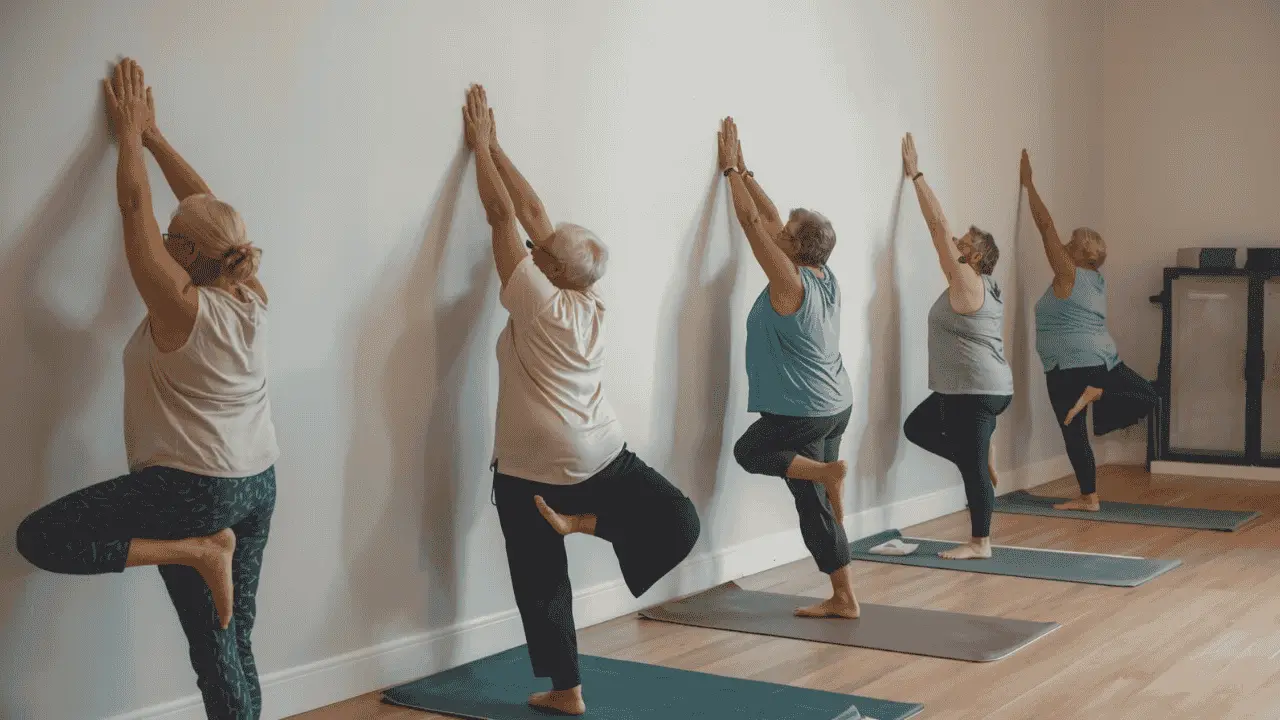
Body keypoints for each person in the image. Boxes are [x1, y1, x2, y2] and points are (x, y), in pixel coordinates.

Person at [14, 59, 278, 718]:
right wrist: (158, 139)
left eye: (172, 241)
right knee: (232, 633)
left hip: (191, 488)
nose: (161, 242)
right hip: (257, 481)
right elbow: (213, 215)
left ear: (188, 256)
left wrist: (129, 133)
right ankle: (201, 557)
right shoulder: (246, 288)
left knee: (41, 539)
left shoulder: (180, 306)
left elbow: (134, 207)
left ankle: (192, 551)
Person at [461, 85, 701, 716]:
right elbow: (537, 217)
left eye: (543, 256)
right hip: (602, 455)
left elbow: (502, 218)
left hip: (529, 467)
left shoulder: (538, 302)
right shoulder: (590, 300)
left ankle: (567, 689)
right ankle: (591, 526)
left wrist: (480, 151)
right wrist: (497, 145)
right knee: (682, 519)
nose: (534, 252)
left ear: (555, 272)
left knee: (541, 582)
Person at [717, 118, 859, 619]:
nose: (779, 231)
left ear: (795, 249)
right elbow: (772, 217)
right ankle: (845, 584)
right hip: (835, 403)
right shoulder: (823, 273)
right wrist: (747, 171)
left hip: (806, 411)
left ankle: (843, 596)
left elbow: (755, 226)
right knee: (820, 496)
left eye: (788, 234)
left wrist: (730, 169)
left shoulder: (789, 282)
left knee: (750, 451)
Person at [1021, 150, 1158, 511]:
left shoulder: (1069, 273)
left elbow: (1044, 226)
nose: (1064, 241)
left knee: (1074, 431)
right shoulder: (1096, 282)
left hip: (1069, 366)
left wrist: (1028, 184)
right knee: (1149, 396)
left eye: (1072, 240)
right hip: (1102, 360)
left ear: (1081, 256)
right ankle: (1089, 497)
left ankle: (1097, 394)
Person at [900, 133, 1012, 560]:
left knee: (969, 464)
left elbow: (938, 226)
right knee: (918, 427)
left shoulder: (968, 280)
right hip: (972, 389)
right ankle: (978, 456)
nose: (956, 245)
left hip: (976, 390)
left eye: (965, 244)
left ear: (977, 258)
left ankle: (980, 542)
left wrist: (917, 176)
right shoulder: (982, 285)